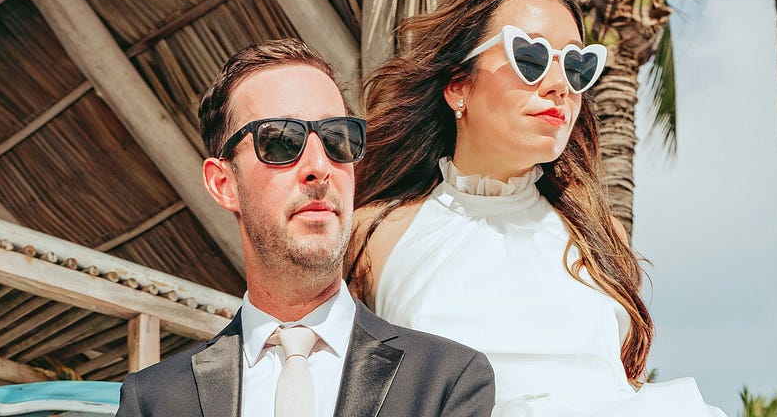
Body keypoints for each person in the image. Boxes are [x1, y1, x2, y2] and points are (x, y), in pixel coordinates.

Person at [347, 0, 726, 417]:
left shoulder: (601, 241)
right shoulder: (374, 235)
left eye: (576, 66)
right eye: (530, 57)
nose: (559, 85)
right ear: (457, 86)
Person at [117, 38, 496, 417]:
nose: (319, 165)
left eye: (337, 140)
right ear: (223, 184)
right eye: (282, 141)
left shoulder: (447, 381)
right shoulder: (154, 400)